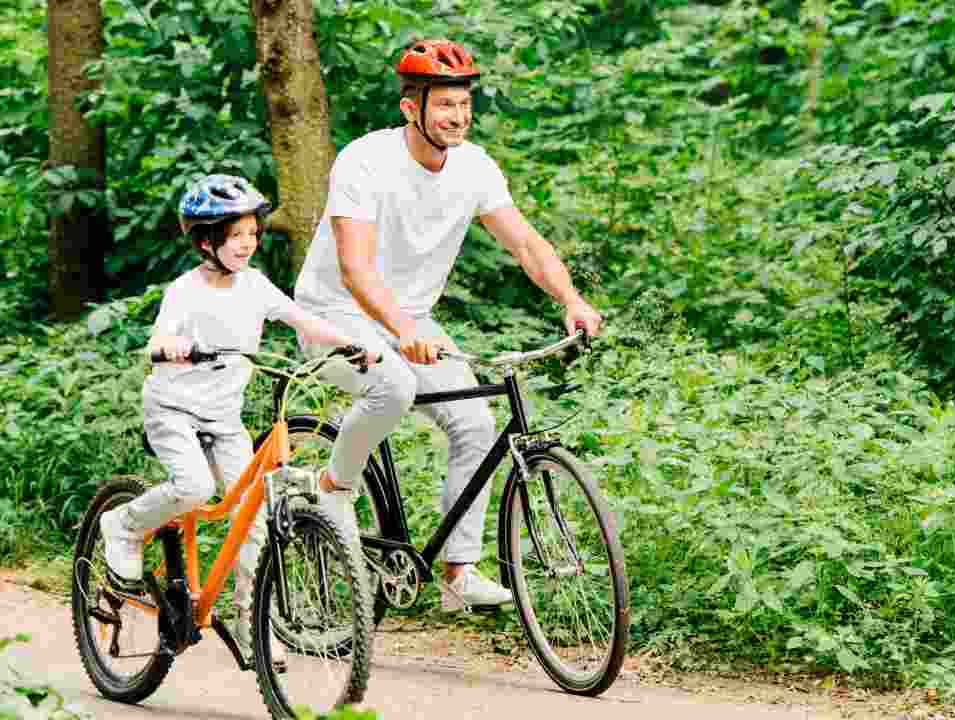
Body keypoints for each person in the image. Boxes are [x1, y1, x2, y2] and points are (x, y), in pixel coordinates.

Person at [293, 38, 603, 613]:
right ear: (411, 107)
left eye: (463, 105)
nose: (458, 117)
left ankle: (457, 573)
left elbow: (528, 245)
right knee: (395, 385)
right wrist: (401, 327)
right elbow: (355, 268)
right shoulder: (364, 161)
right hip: (334, 316)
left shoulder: (475, 167)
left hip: (411, 323)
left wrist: (571, 299)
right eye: (444, 106)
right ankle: (333, 488)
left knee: (476, 423)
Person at [99, 174, 375, 665]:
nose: (247, 244)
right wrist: (173, 348)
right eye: (236, 236)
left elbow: (298, 318)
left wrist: (349, 342)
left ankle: (253, 625)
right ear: (207, 241)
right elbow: (155, 342)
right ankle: (121, 524)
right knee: (195, 488)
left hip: (225, 420)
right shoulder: (186, 291)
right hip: (174, 412)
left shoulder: (254, 285)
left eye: (252, 234)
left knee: (255, 520)